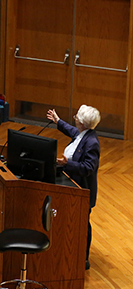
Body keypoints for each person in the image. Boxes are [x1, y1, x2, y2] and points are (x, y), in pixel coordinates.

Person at [47, 105, 101, 270]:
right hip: (71, 185)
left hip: (82, 190)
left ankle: (83, 258)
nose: (75, 117)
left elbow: (87, 168)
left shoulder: (92, 143)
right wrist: (57, 120)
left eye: (77, 116)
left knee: (83, 225)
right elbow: (71, 130)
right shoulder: (82, 134)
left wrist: (66, 163)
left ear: (83, 123)